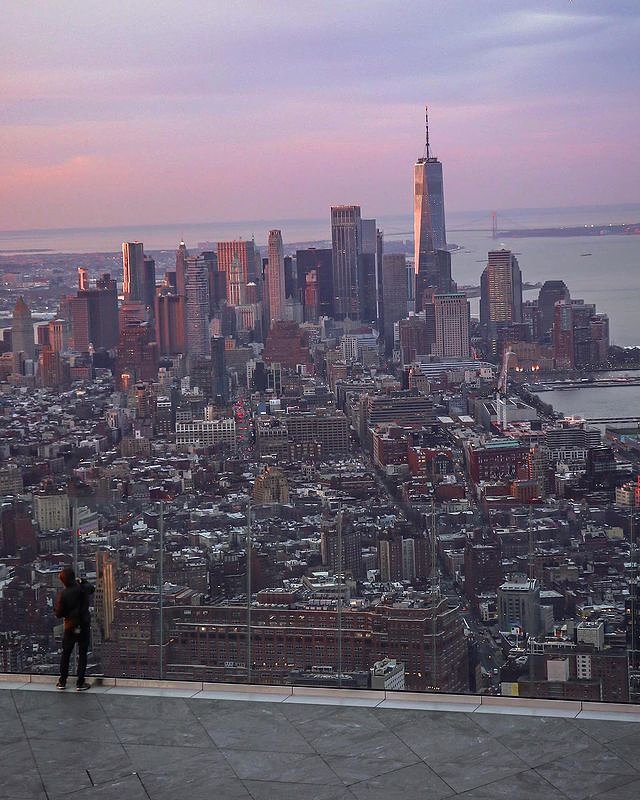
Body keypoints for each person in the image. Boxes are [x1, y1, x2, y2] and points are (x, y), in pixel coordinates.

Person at [54, 567, 95, 691]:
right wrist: (82, 581)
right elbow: (92, 588)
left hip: (70, 626)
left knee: (66, 654)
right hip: (83, 625)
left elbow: (59, 614)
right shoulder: (82, 588)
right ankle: (80, 683)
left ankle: (62, 681)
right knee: (82, 654)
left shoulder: (63, 594)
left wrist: (58, 610)